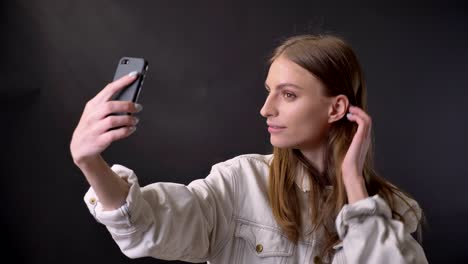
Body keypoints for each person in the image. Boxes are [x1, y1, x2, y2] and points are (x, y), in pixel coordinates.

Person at [70, 34, 428, 264]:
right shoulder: (240, 181)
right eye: (269, 91)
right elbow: (149, 224)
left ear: (335, 108)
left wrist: (353, 184)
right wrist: (91, 163)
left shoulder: (391, 211)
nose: (266, 108)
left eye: (288, 95)